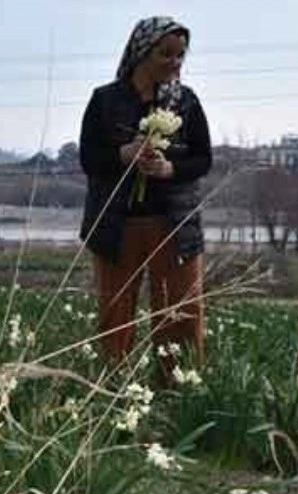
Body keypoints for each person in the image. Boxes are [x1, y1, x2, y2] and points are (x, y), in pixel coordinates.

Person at [77, 16, 213, 381]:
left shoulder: (185, 102)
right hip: (118, 225)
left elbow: (203, 159)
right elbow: (89, 160)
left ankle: (177, 384)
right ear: (141, 52)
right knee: (115, 311)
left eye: (181, 55)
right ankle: (114, 386)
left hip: (174, 224)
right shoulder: (105, 101)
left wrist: (170, 170)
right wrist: (124, 155)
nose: (175, 63)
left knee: (180, 310)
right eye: (166, 54)